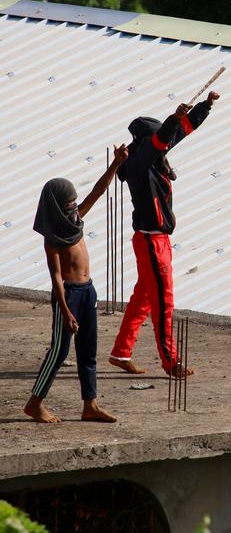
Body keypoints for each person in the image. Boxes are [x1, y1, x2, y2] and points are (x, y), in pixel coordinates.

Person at [109, 91, 219, 377]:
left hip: (155, 240)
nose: (166, 145)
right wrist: (174, 117)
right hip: (150, 241)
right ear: (146, 142)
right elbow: (165, 137)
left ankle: (121, 353)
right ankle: (171, 362)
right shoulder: (140, 162)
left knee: (144, 298)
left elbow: (178, 133)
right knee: (163, 302)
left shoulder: (148, 156)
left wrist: (204, 107)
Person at [24, 145, 128, 423]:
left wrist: (116, 164)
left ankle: (89, 405)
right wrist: (66, 312)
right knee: (59, 351)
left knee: (88, 350)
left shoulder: (76, 221)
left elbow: (98, 190)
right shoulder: (53, 238)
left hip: (88, 291)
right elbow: (56, 276)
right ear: (57, 207)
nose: (74, 206)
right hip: (67, 296)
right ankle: (35, 402)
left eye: (74, 202)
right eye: (68, 204)